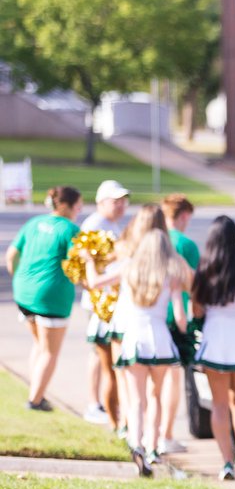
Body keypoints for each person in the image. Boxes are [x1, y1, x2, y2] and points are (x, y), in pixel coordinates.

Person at [110, 229, 191, 474]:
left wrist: (89, 261)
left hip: (134, 337)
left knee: (136, 399)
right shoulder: (170, 275)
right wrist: (186, 332)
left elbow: (95, 283)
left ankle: (136, 443)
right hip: (159, 338)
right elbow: (180, 317)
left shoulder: (129, 271)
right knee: (156, 395)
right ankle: (152, 446)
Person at [6, 186, 83, 411]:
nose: (79, 210)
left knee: (40, 345)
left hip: (24, 292)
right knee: (50, 351)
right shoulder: (70, 230)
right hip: (51, 296)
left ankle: (34, 389)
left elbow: (11, 255)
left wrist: (19, 278)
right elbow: (77, 266)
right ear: (66, 206)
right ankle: (36, 400)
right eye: (78, 206)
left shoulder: (34, 223)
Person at [192, 216, 235, 481]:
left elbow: (196, 310)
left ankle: (226, 461)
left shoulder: (204, 270)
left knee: (219, 404)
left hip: (215, 340)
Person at [80, 179, 129, 428]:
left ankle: (105, 404)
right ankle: (94, 403)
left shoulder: (112, 224)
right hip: (100, 302)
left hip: (111, 300)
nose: (121, 205)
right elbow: (82, 263)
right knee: (100, 355)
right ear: (101, 202)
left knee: (105, 357)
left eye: (123, 201)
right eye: (115, 201)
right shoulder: (94, 225)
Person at [160, 193, 199, 455]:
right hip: (176, 316)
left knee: (151, 381)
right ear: (184, 216)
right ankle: (166, 433)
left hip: (151, 315)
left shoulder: (153, 241)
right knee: (172, 380)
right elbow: (193, 285)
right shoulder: (186, 245)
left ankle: (150, 433)